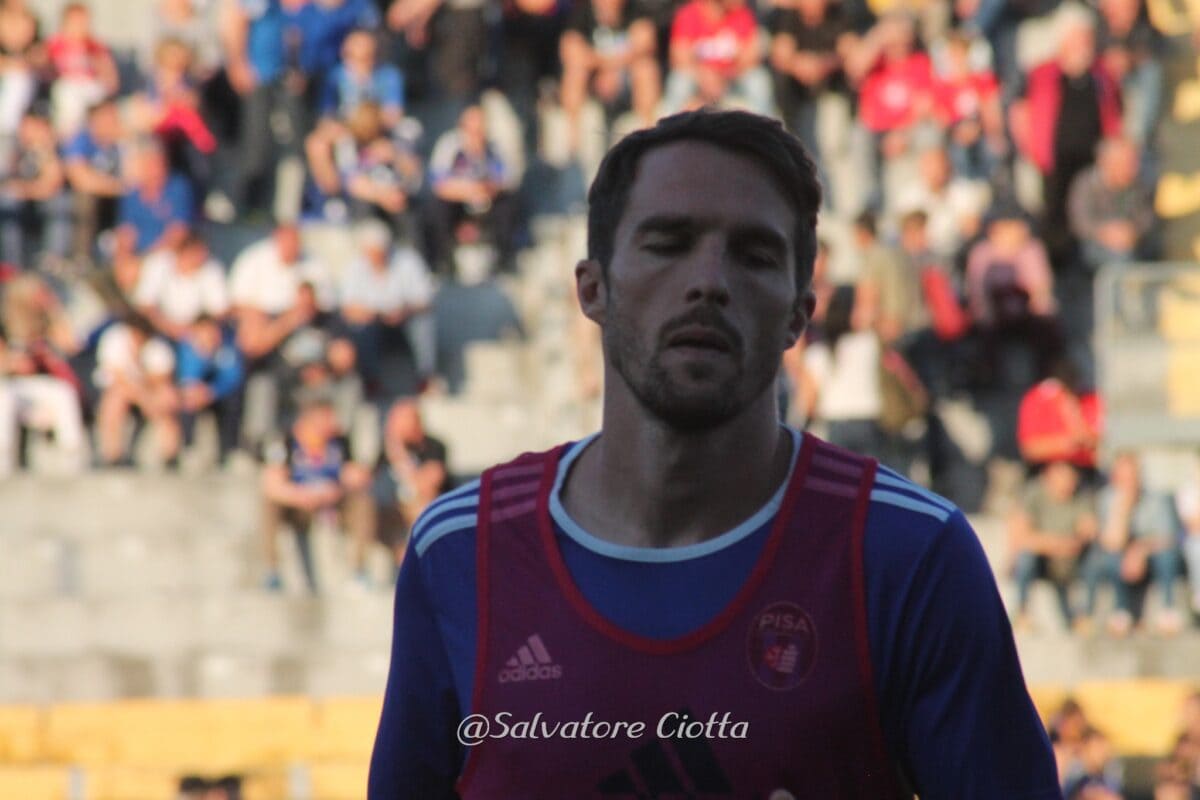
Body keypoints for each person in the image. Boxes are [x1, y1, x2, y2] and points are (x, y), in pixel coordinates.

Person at [369, 109, 1058, 798]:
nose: (709, 281)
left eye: (754, 255)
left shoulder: (910, 557)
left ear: (799, 314)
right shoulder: (461, 552)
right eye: (668, 244)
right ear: (592, 288)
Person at [260, 396, 374, 592]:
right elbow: (271, 484)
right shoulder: (286, 441)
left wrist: (337, 487)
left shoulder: (339, 442)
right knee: (269, 505)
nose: (333, 424)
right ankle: (272, 572)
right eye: (327, 419)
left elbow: (358, 476)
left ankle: (359, 570)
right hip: (298, 504)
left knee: (363, 502)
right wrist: (301, 496)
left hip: (332, 502)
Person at [1008, 459, 1098, 632]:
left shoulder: (1081, 497)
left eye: (1071, 477)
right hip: (1044, 559)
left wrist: (1072, 543)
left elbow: (1088, 531)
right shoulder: (1034, 495)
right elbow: (1021, 537)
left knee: (1095, 557)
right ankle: (1021, 612)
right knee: (1026, 557)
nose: (1068, 482)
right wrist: (1055, 544)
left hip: (1070, 558)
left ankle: (1085, 615)